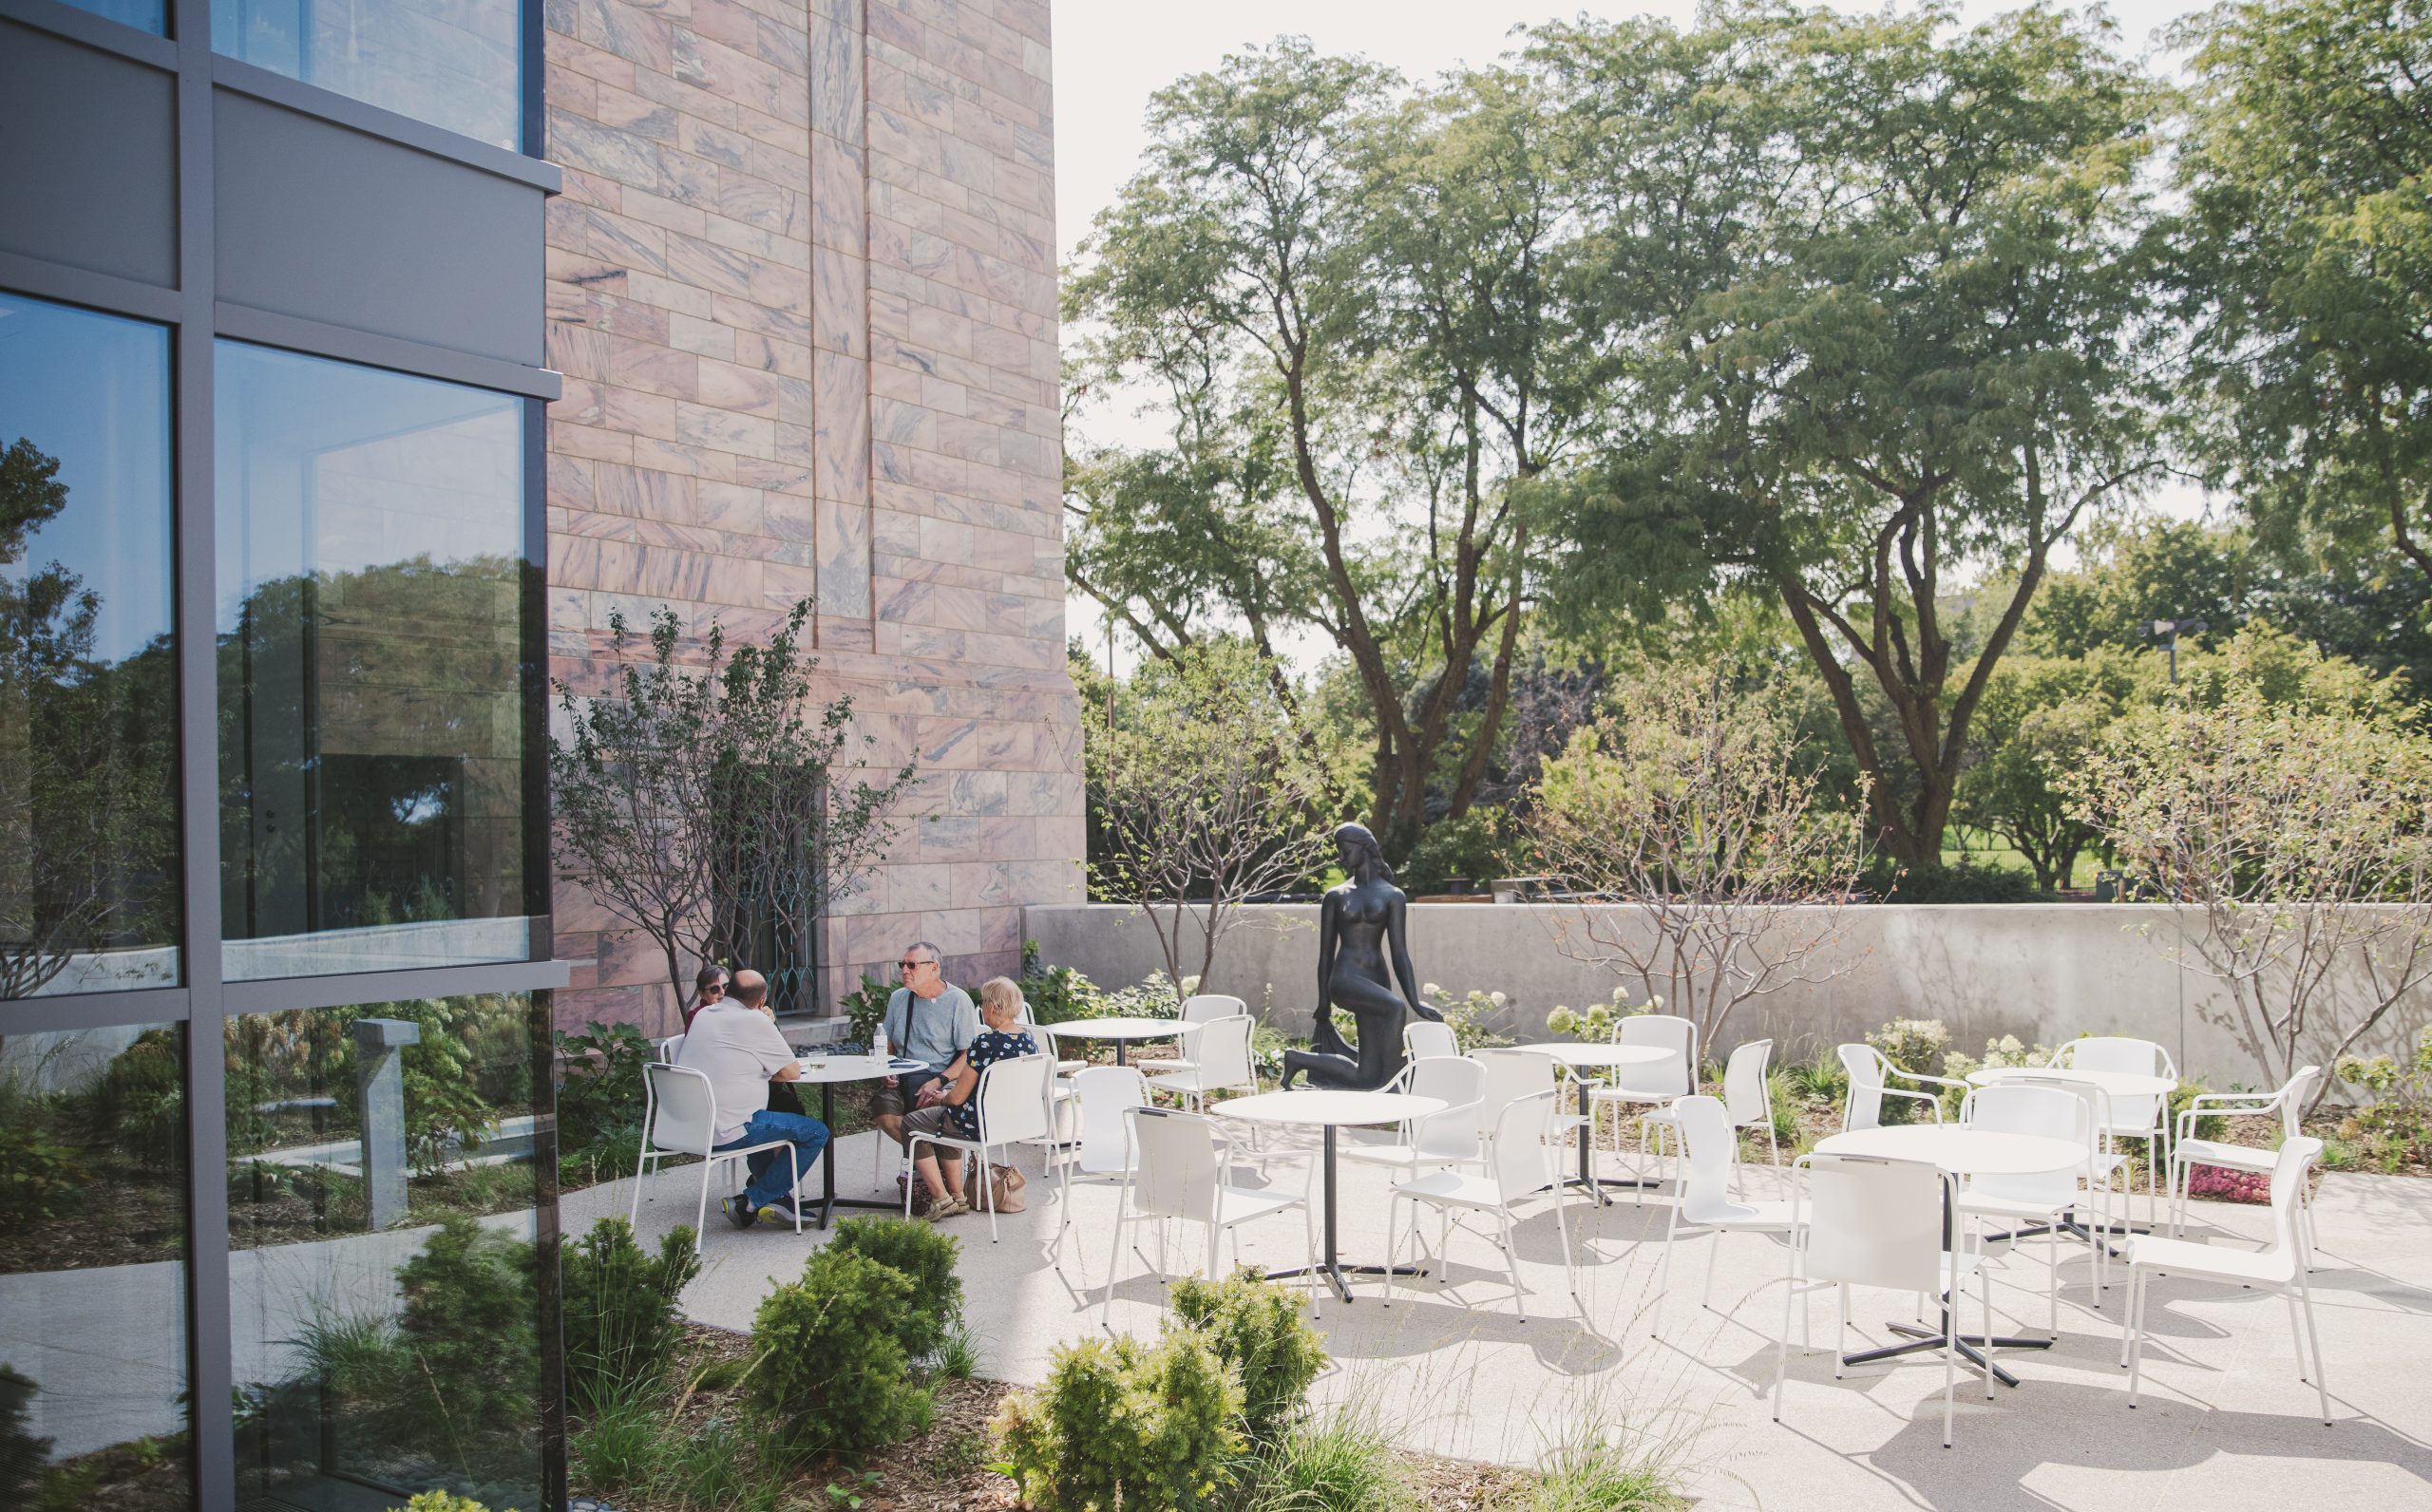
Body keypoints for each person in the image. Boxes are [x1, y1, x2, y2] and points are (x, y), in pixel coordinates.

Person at [1281, 822, 1440, 1090]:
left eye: (1345, 851)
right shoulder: (1336, 896)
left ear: (1363, 848)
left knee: (1365, 1076)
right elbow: (1325, 955)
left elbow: (1400, 953)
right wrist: (1323, 1001)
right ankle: (1393, 1091)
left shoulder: (1393, 896)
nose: (1341, 858)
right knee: (1395, 1008)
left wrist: (1415, 1001)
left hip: (1376, 980)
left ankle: (1297, 1059)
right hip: (1345, 978)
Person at [673, 968, 829, 1228]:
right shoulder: (754, 1020)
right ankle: (752, 1201)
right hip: (731, 1129)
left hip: (694, 1128)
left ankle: (775, 1198)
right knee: (816, 1132)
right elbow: (791, 1072)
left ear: (729, 990)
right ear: (761, 1001)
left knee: (768, 1123)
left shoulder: (702, 1015)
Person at [898, 976, 1037, 1220]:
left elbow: (957, 1097)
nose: (981, 1009)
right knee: (941, 1122)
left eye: (983, 1003)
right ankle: (958, 1197)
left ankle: (942, 1199)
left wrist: (940, 1098)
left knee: (912, 1123)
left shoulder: (985, 1042)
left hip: (979, 1123)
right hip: (1010, 1121)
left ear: (992, 1007)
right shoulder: (1028, 1039)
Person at [872, 940, 980, 1210]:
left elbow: (968, 1054)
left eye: (911, 965)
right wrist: (886, 1068)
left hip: (939, 1076)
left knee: (928, 1112)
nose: (904, 971)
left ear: (934, 968)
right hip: (902, 1076)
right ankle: (932, 1167)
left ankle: (936, 1189)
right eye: (902, 965)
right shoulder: (899, 998)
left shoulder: (957, 1000)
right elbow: (887, 1043)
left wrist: (941, 1080)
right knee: (884, 1112)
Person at [680, 963, 731, 1031]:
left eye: (726, 987)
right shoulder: (696, 1017)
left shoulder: (738, 1010)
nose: (722, 992)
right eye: (714, 989)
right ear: (702, 994)